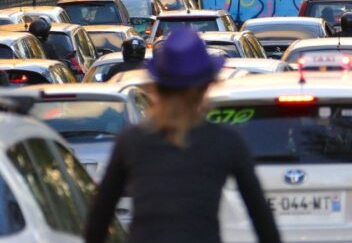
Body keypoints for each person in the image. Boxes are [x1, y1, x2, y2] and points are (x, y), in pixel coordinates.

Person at [84, 29, 282, 243]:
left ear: (158, 86)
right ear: (206, 85)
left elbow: (98, 219)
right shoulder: (225, 141)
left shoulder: (132, 140)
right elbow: (261, 217)